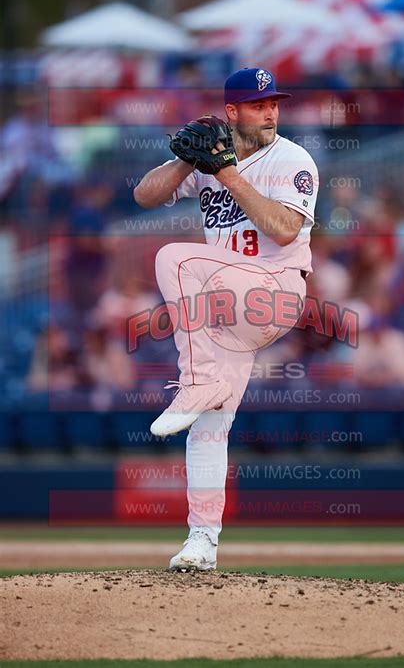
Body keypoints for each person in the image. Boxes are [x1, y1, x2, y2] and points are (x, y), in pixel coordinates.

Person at [134, 67, 319, 571]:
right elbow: (144, 196)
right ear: (233, 112)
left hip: (275, 291)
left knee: (174, 258)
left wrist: (226, 173)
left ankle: (196, 379)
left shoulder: (292, 159)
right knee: (210, 427)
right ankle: (202, 543)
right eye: (259, 105)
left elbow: (284, 230)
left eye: (275, 102)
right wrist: (183, 160)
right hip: (225, 308)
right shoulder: (210, 155)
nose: (271, 111)